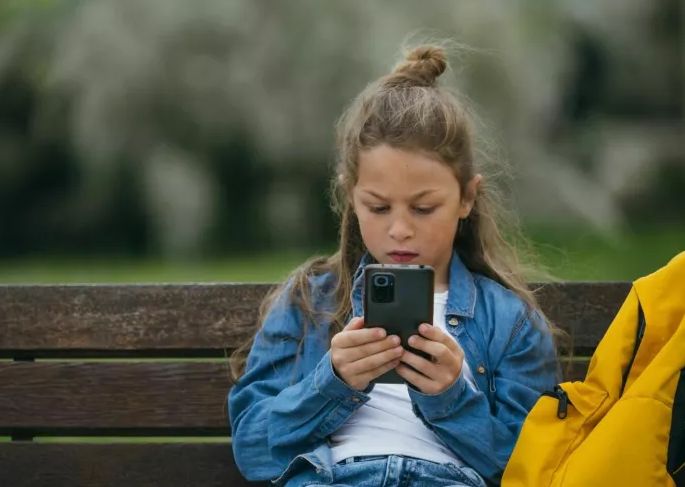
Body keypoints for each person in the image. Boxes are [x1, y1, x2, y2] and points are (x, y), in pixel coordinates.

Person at [227, 43, 562, 487]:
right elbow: (253, 447)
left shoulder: (511, 322)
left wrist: (451, 398)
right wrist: (333, 380)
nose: (400, 230)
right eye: (379, 207)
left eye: (423, 209)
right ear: (351, 196)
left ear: (466, 197)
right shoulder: (310, 302)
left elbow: (531, 466)